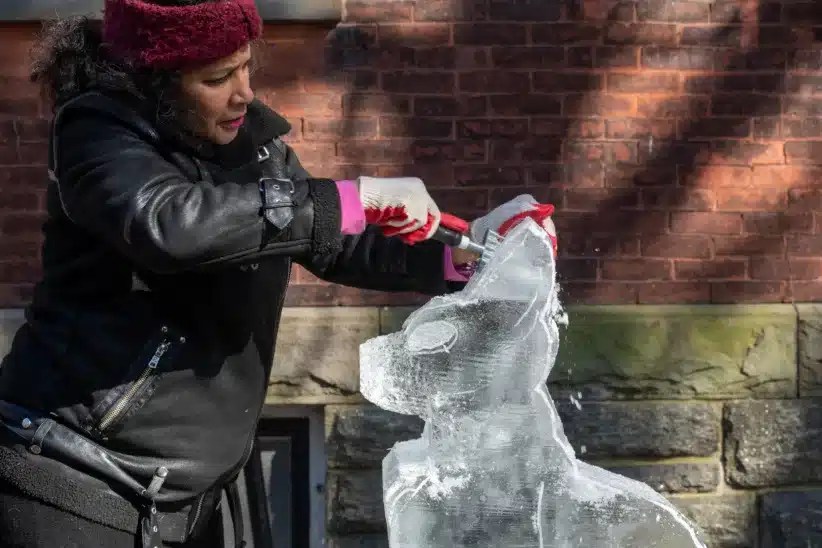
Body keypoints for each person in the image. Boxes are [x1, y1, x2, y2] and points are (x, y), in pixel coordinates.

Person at [0, 0, 558, 546]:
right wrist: (350, 197)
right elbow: (169, 224)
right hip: (73, 481)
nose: (244, 91)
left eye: (246, 65)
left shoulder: (251, 145)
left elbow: (329, 242)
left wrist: (460, 254)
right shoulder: (97, 132)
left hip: (192, 490)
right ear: (156, 81)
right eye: (218, 76)